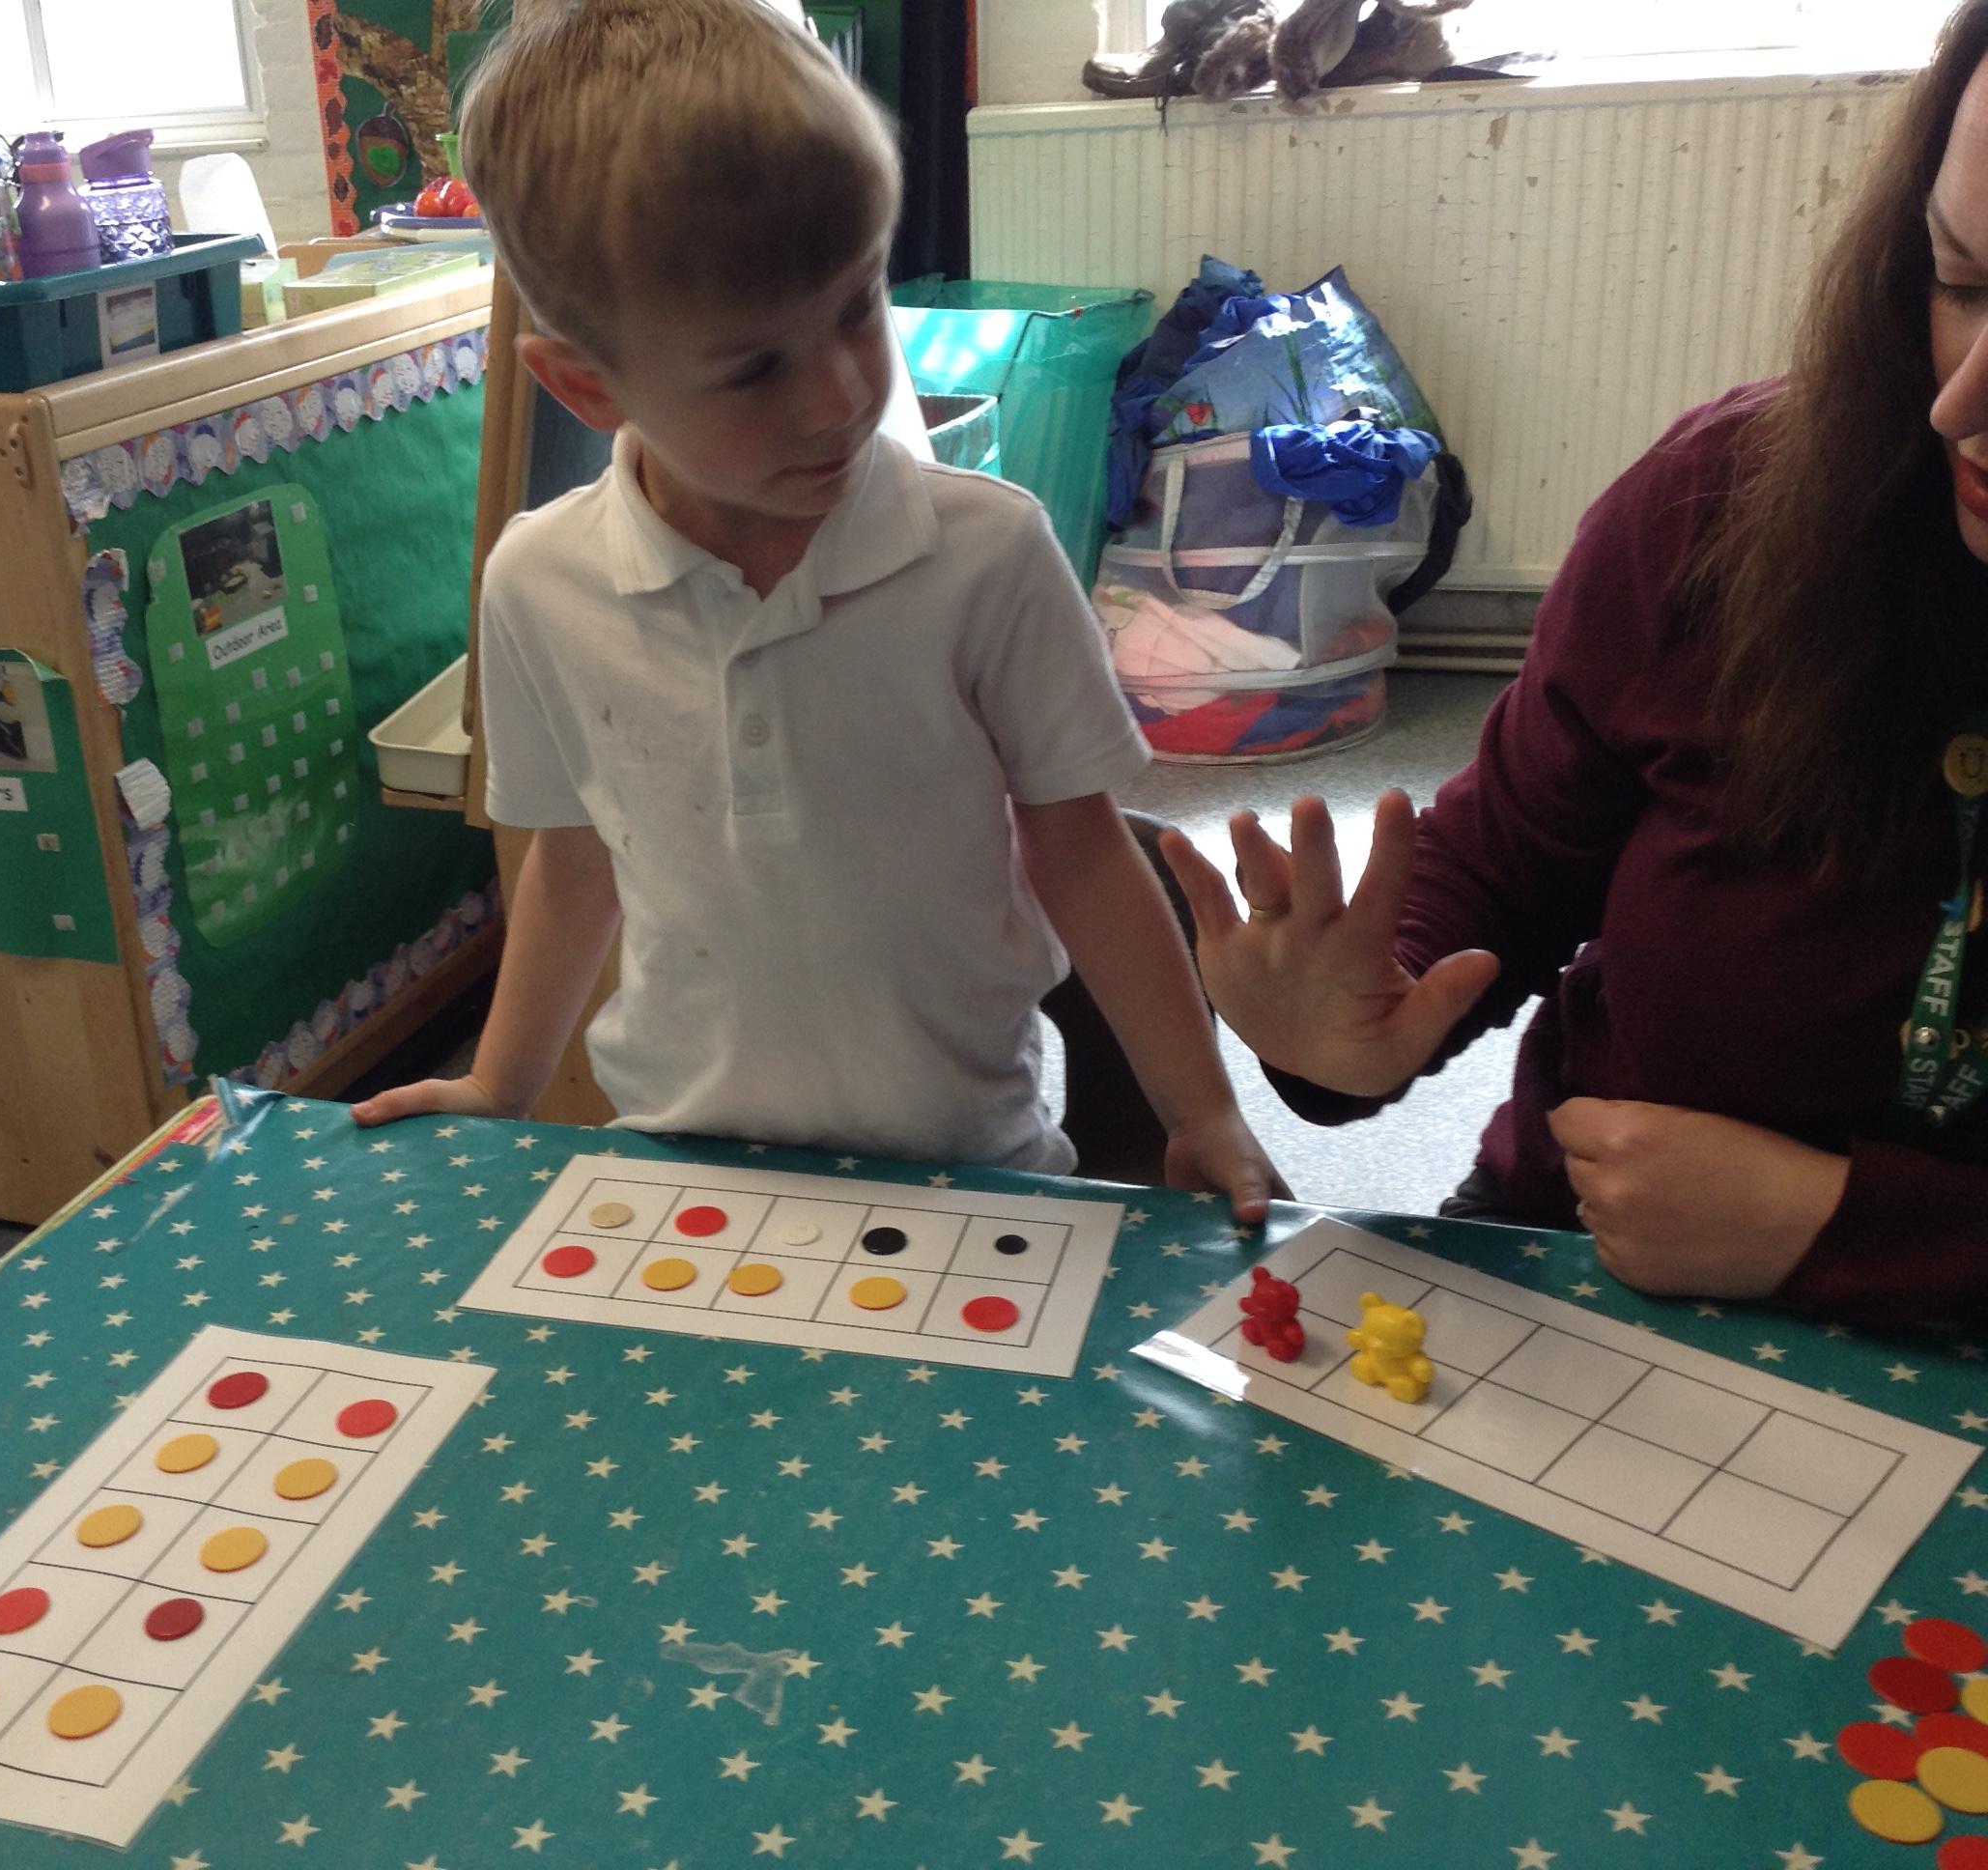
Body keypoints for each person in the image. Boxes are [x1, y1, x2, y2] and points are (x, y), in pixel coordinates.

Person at [351, 0, 1277, 1214]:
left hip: (973, 1168)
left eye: (856, 305)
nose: (840, 395)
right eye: (753, 368)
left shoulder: (989, 554)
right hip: (689, 1167)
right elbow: (572, 862)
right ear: (585, 384)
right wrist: (500, 1084)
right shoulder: (536, 583)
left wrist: (1204, 1112)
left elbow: (1086, 854)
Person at [1159, 0, 1988, 1327]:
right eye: (1961, 283)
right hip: (1576, 1250)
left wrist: (1852, 1230)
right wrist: (1363, 1010)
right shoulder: (1724, 502)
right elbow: (1514, 857)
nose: (1958, 403)